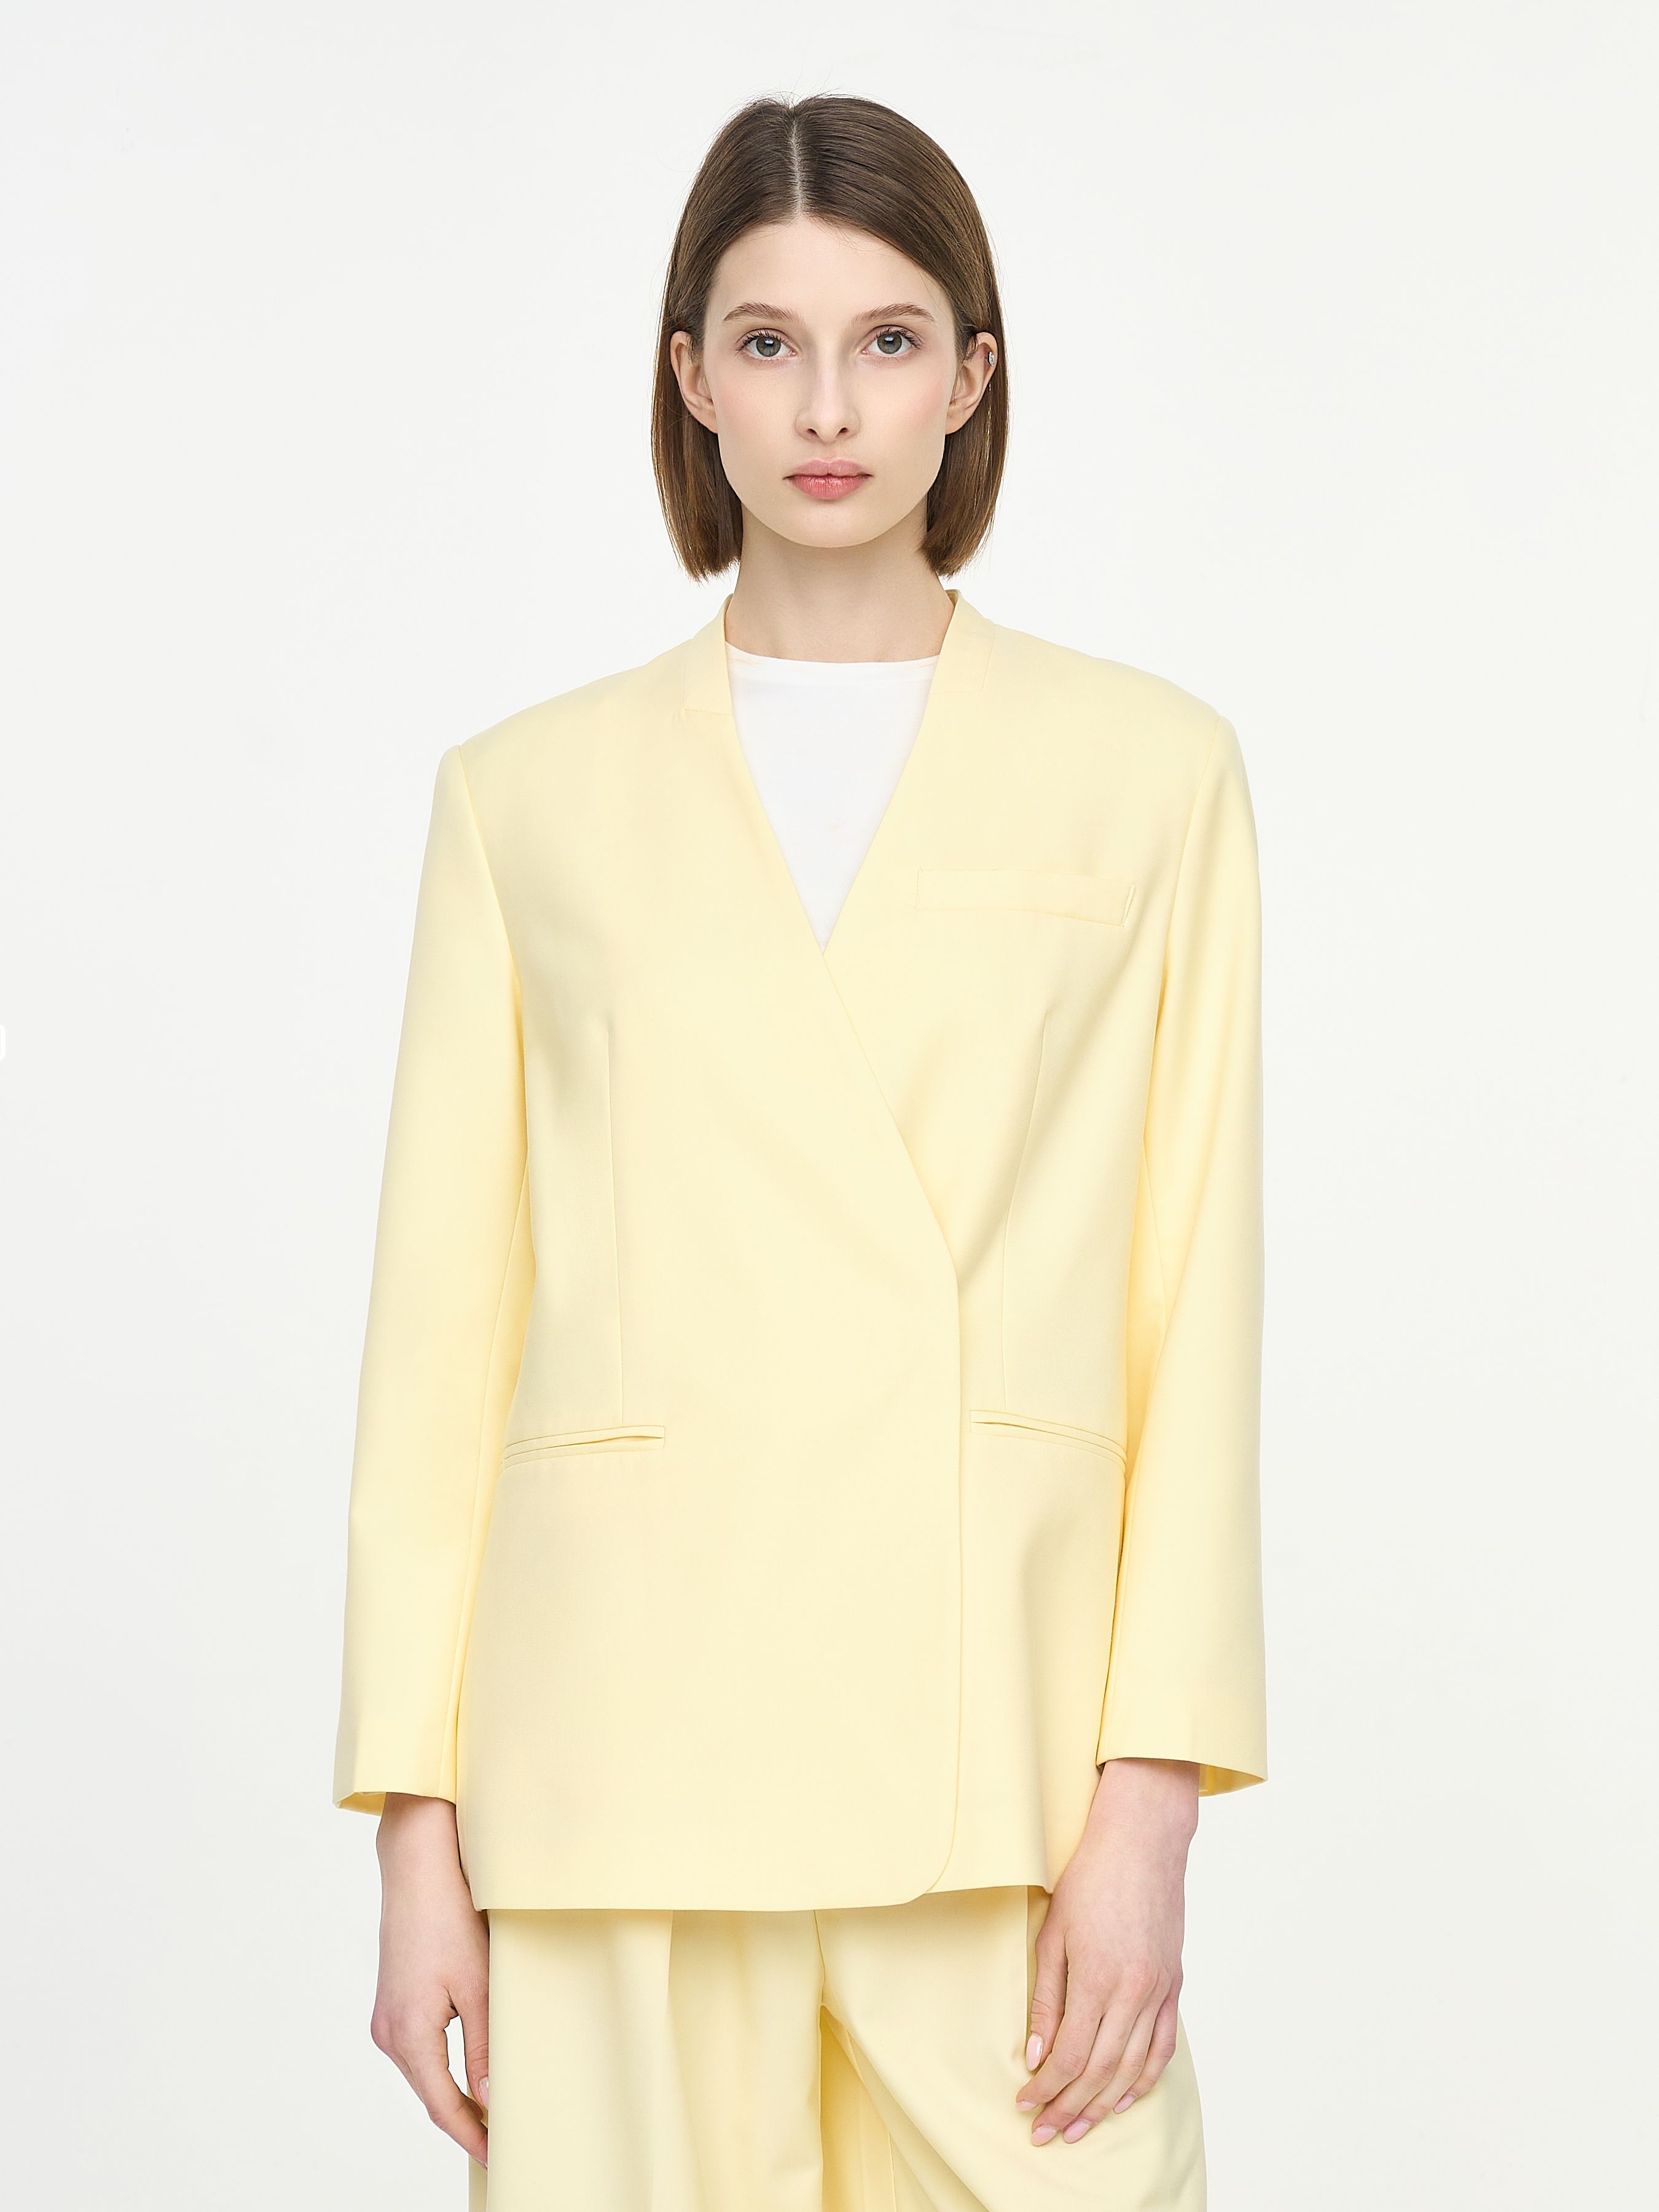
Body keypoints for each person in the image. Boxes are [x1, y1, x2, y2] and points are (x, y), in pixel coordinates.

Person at [332, 91, 1266, 2211]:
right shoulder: (522, 798)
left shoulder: (1149, 774)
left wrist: (1149, 1802)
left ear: (971, 375)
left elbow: (1189, 1301)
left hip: (996, 1751)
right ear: (690, 379)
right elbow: (437, 1347)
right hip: (615, 1751)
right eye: (766, 342)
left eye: (887, 339)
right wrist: (415, 1831)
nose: (826, 406)